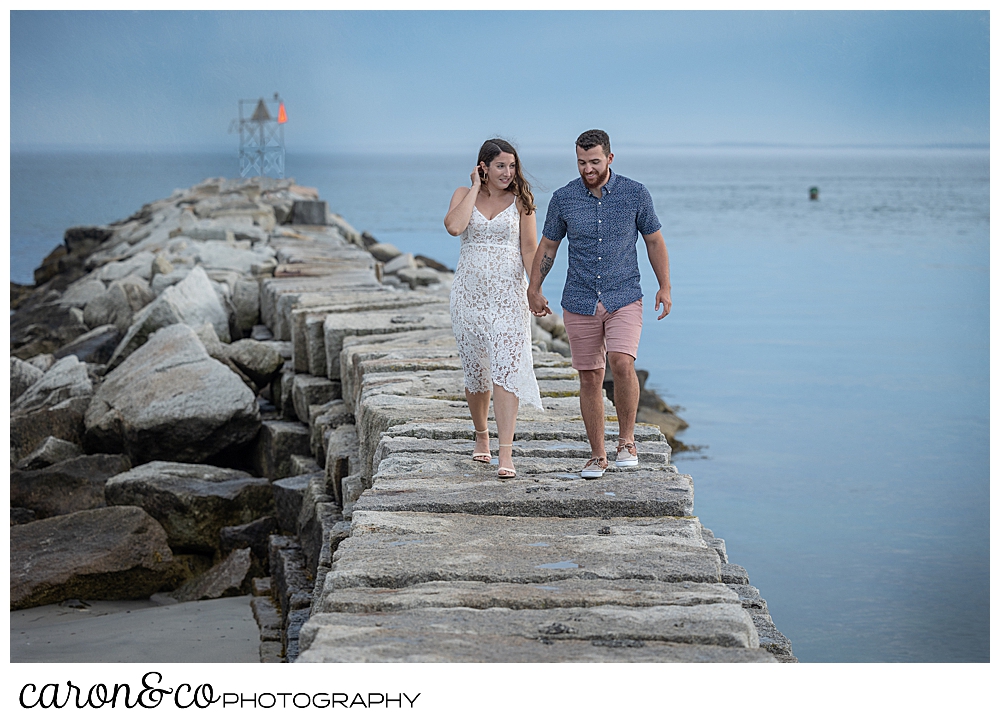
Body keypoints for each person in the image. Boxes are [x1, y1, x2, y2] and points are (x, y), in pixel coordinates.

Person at [528, 129, 671, 479]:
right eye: (581, 162)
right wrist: (534, 287)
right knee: (590, 377)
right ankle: (597, 455)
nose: (587, 168)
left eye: (594, 161)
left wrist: (664, 287)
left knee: (622, 363)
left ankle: (626, 442)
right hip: (579, 299)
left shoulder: (636, 194)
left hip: (624, 295)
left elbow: (654, 241)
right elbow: (548, 247)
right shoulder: (564, 199)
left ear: (609, 158)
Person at [445, 138, 543, 480]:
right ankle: (481, 434)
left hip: (508, 297)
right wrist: (474, 186)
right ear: (483, 166)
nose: (508, 172)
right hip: (468, 297)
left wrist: (535, 289)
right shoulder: (462, 193)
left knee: (506, 370)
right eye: (500, 165)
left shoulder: (522, 202)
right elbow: (454, 226)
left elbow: (530, 249)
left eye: (512, 166)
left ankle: (506, 453)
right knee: (477, 374)